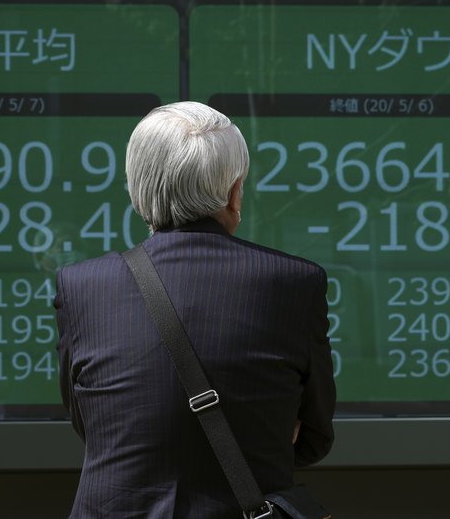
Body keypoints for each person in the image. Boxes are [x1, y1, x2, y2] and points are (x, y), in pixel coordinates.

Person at [55, 101, 335, 518]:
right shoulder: (295, 282)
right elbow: (313, 437)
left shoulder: (82, 285)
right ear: (235, 190)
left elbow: (97, 427)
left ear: (138, 187)